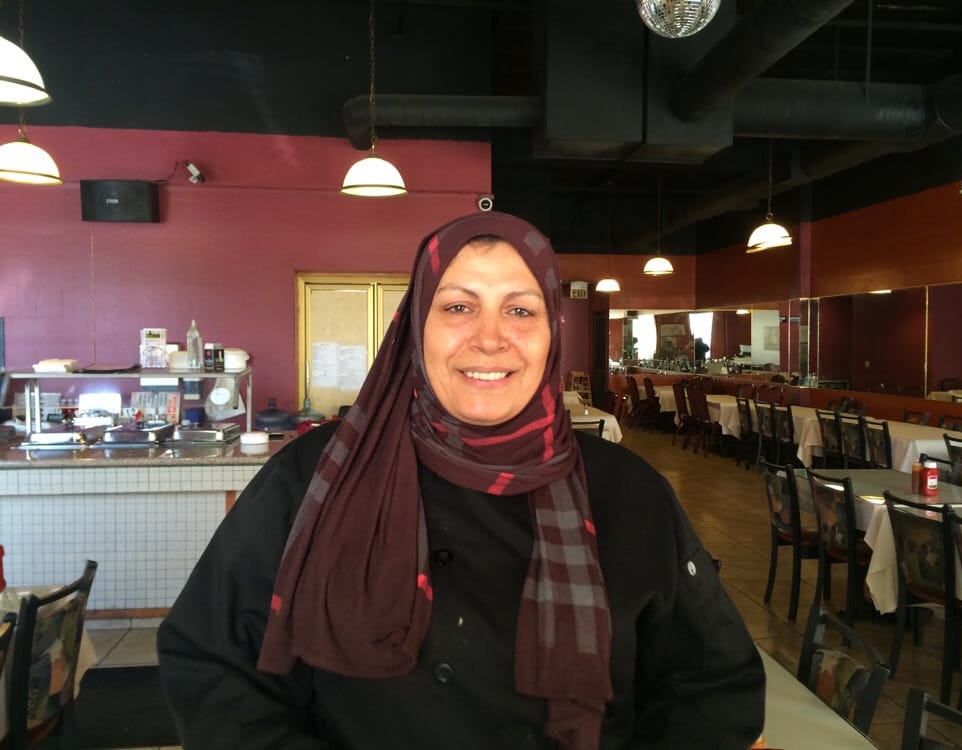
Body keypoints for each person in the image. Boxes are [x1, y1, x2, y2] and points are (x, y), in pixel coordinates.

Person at [157, 212, 765, 750]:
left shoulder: (630, 494)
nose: (490, 338)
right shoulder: (314, 475)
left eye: (520, 310)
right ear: (415, 328)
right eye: (457, 307)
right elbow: (211, 662)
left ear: (552, 333)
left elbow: (712, 687)